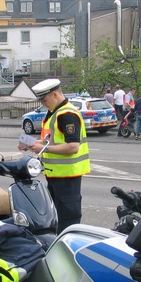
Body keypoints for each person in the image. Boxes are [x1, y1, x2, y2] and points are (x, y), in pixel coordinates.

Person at [20, 78, 90, 233]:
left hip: (67, 177)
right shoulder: (54, 112)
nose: (43, 104)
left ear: (55, 95)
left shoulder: (67, 114)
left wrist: (42, 148)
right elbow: (50, 140)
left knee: (68, 220)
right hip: (56, 175)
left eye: (44, 100)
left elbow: (72, 146)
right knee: (58, 217)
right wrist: (31, 143)